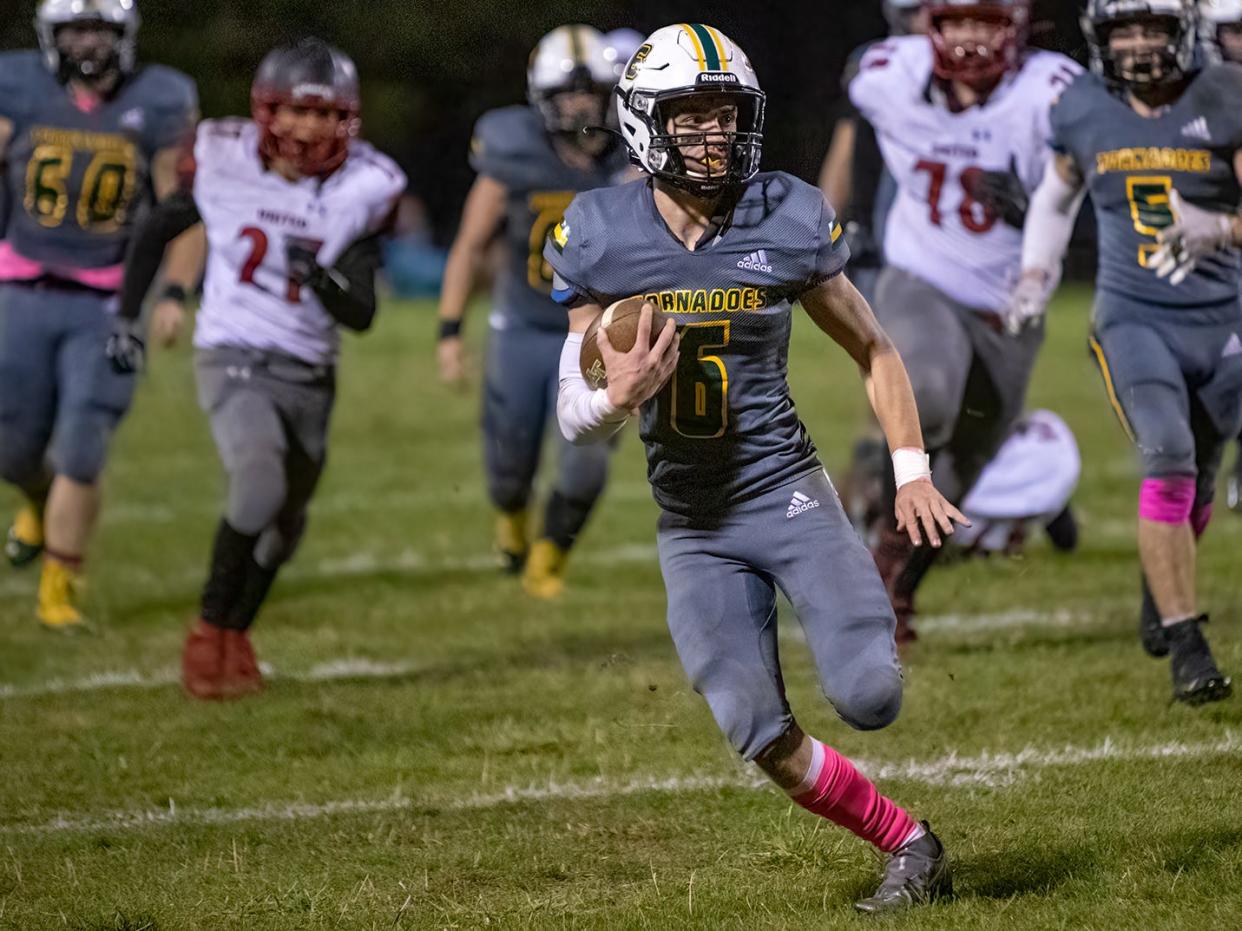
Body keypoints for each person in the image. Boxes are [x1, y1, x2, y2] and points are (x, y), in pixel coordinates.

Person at [546, 23, 965, 912]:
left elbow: (877, 349)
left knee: (870, 695)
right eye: (691, 119)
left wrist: (912, 469)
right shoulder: (600, 233)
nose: (715, 137)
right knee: (755, 727)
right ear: (644, 125)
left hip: (788, 494)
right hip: (693, 524)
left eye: (726, 117)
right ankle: (910, 843)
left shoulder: (784, 211)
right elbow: (571, 415)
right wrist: (613, 397)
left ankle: (903, 814)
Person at [116, 38, 406, 699]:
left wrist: (325, 281)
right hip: (233, 353)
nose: (310, 129)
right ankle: (206, 630)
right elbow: (158, 228)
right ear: (266, 112)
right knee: (257, 483)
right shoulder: (223, 161)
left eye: (327, 115)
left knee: (285, 526)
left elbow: (360, 312)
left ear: (349, 120)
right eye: (298, 112)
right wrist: (127, 314)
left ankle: (236, 631)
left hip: (309, 370)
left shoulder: (365, 185)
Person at [1009, 0, 1241, 703]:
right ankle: (1187, 640)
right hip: (1134, 316)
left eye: (1152, 28)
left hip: (1225, 319)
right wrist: (1033, 275)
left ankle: (1160, 582)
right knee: (1168, 452)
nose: (1137, 45)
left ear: (1185, 32)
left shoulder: (1226, 91)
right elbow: (1056, 198)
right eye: (1123, 31)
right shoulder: (1083, 104)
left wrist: (1223, 228)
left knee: (1200, 471)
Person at [848, 0, 1081, 642]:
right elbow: (851, 87)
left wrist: (1037, 201)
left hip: (1013, 305)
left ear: (1018, 26)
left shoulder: (1050, 89)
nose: (971, 38)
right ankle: (870, 493)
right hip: (923, 278)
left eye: (986, 21)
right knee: (928, 397)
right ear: (932, 25)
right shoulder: (892, 76)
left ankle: (893, 582)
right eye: (958, 21)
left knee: (965, 469)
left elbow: (1100, 160)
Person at [0, 0, 199, 630]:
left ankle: (60, 587)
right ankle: (36, 500)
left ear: (126, 35)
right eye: (75, 30)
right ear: (50, 36)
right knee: (13, 447)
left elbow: (182, 206)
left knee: (85, 442)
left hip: (111, 301)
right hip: (22, 287)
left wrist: (173, 293)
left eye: (100, 29)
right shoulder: (17, 85)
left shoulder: (161, 98)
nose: (89, 43)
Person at [436, 25, 630, 598]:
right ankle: (513, 525)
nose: (580, 107)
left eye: (591, 94)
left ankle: (550, 556)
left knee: (586, 462)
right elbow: (470, 244)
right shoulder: (513, 151)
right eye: (568, 96)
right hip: (524, 323)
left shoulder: (633, 157)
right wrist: (450, 331)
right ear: (541, 102)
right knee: (510, 457)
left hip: (596, 327)